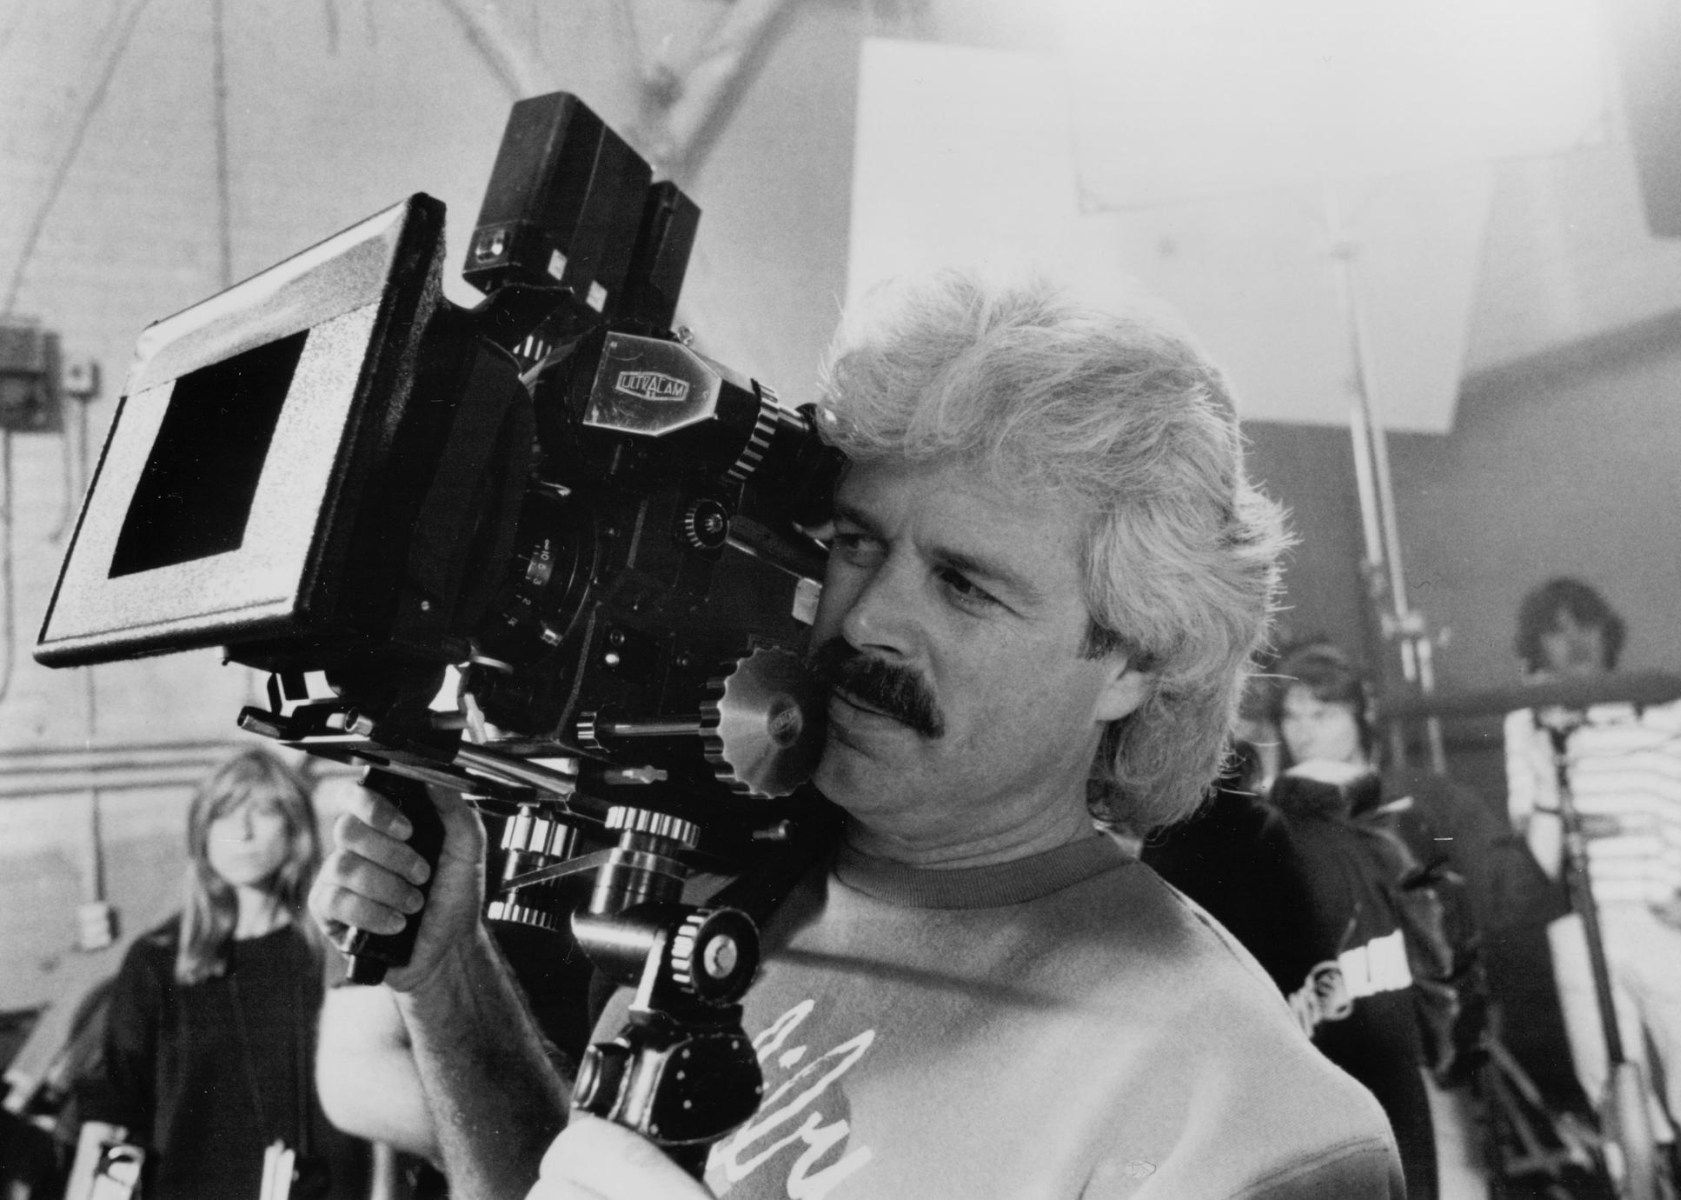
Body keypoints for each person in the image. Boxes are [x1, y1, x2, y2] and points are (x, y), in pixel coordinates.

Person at [308, 271, 1405, 1199]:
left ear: (1132, 663)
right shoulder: (739, 898)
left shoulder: (1250, 1122)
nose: (870, 617)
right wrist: (449, 978)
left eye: (965, 585)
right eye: (857, 544)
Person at [1145, 643, 1492, 1199]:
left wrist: (1452, 1049)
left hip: (1411, 1043)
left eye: (1323, 713)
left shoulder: (1414, 804)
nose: (1305, 730)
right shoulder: (1267, 824)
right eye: (1294, 716)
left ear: (1360, 715)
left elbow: (1456, 946)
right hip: (1328, 1038)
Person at [1503, 578, 1681, 1200]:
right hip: (1580, 925)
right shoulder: (1526, 720)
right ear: (1536, 646)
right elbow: (1542, 849)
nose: (1576, 642)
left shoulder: (1668, 709)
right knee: (1617, 1103)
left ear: (1608, 631)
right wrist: (1550, 747)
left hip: (1667, 916)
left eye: (1585, 624)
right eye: (1556, 631)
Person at [70, 749, 369, 1199]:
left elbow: (373, 1108)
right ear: (202, 833)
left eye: (262, 812)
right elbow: (113, 1113)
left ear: (296, 830)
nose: (242, 832)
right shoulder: (158, 961)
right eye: (224, 815)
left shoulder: (334, 953)